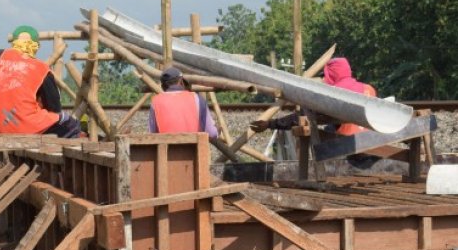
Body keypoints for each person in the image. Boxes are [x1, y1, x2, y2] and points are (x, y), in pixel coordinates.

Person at [0, 25, 81, 138]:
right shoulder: (41, 68)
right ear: (35, 46)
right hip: (30, 129)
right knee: (72, 125)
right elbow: (54, 108)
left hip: (4, 129)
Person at [249, 57, 378, 135]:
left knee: (324, 129)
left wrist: (271, 124)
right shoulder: (369, 89)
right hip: (374, 143)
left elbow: (305, 117)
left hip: (349, 148)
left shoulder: (334, 94)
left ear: (332, 75)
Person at [148, 66, 219, 143]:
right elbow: (211, 133)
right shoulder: (196, 98)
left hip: (166, 151)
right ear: (181, 81)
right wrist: (218, 131)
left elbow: (152, 134)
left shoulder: (156, 101)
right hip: (193, 151)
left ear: (162, 86)